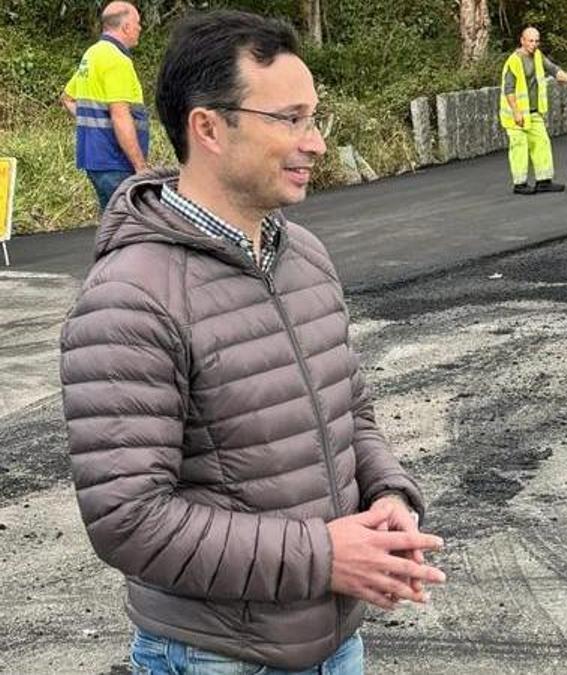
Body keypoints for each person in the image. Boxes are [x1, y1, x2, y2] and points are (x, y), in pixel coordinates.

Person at [59, 10, 447, 673]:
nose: (315, 142)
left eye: (314, 117)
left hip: (334, 639)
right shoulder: (131, 295)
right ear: (208, 126)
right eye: (289, 119)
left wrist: (388, 497)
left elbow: (349, 413)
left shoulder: (305, 257)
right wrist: (326, 555)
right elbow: (127, 518)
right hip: (216, 655)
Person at [62, 1, 149, 211]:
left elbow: (67, 98)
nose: (140, 28)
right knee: (131, 225)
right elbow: (120, 116)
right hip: (115, 160)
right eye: (137, 23)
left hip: (93, 159)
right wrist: (140, 166)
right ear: (126, 27)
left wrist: (96, 128)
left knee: (111, 223)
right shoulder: (117, 60)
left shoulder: (92, 55)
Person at [500, 26, 567, 195]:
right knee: (519, 147)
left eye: (537, 41)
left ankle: (543, 181)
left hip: (534, 112)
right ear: (522, 40)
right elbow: (508, 89)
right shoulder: (514, 61)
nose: (534, 44)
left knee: (542, 143)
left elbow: (553, 69)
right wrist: (516, 111)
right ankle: (520, 184)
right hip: (516, 115)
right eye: (531, 41)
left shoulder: (538, 56)